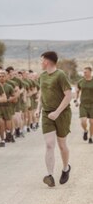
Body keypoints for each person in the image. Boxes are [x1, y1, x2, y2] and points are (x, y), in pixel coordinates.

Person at [36, 51, 72, 187]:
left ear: (47, 61)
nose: (40, 63)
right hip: (47, 114)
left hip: (61, 113)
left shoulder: (60, 75)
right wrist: (38, 109)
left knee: (62, 145)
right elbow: (41, 93)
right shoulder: (42, 76)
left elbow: (68, 96)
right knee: (49, 144)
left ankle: (65, 168)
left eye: (41, 60)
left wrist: (57, 112)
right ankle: (50, 175)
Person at [75, 66, 93, 143]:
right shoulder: (81, 82)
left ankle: (90, 137)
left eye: (85, 72)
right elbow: (77, 91)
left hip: (92, 105)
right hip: (83, 104)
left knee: (92, 122)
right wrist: (76, 100)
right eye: (83, 72)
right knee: (83, 121)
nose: (84, 73)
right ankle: (85, 131)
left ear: (90, 72)